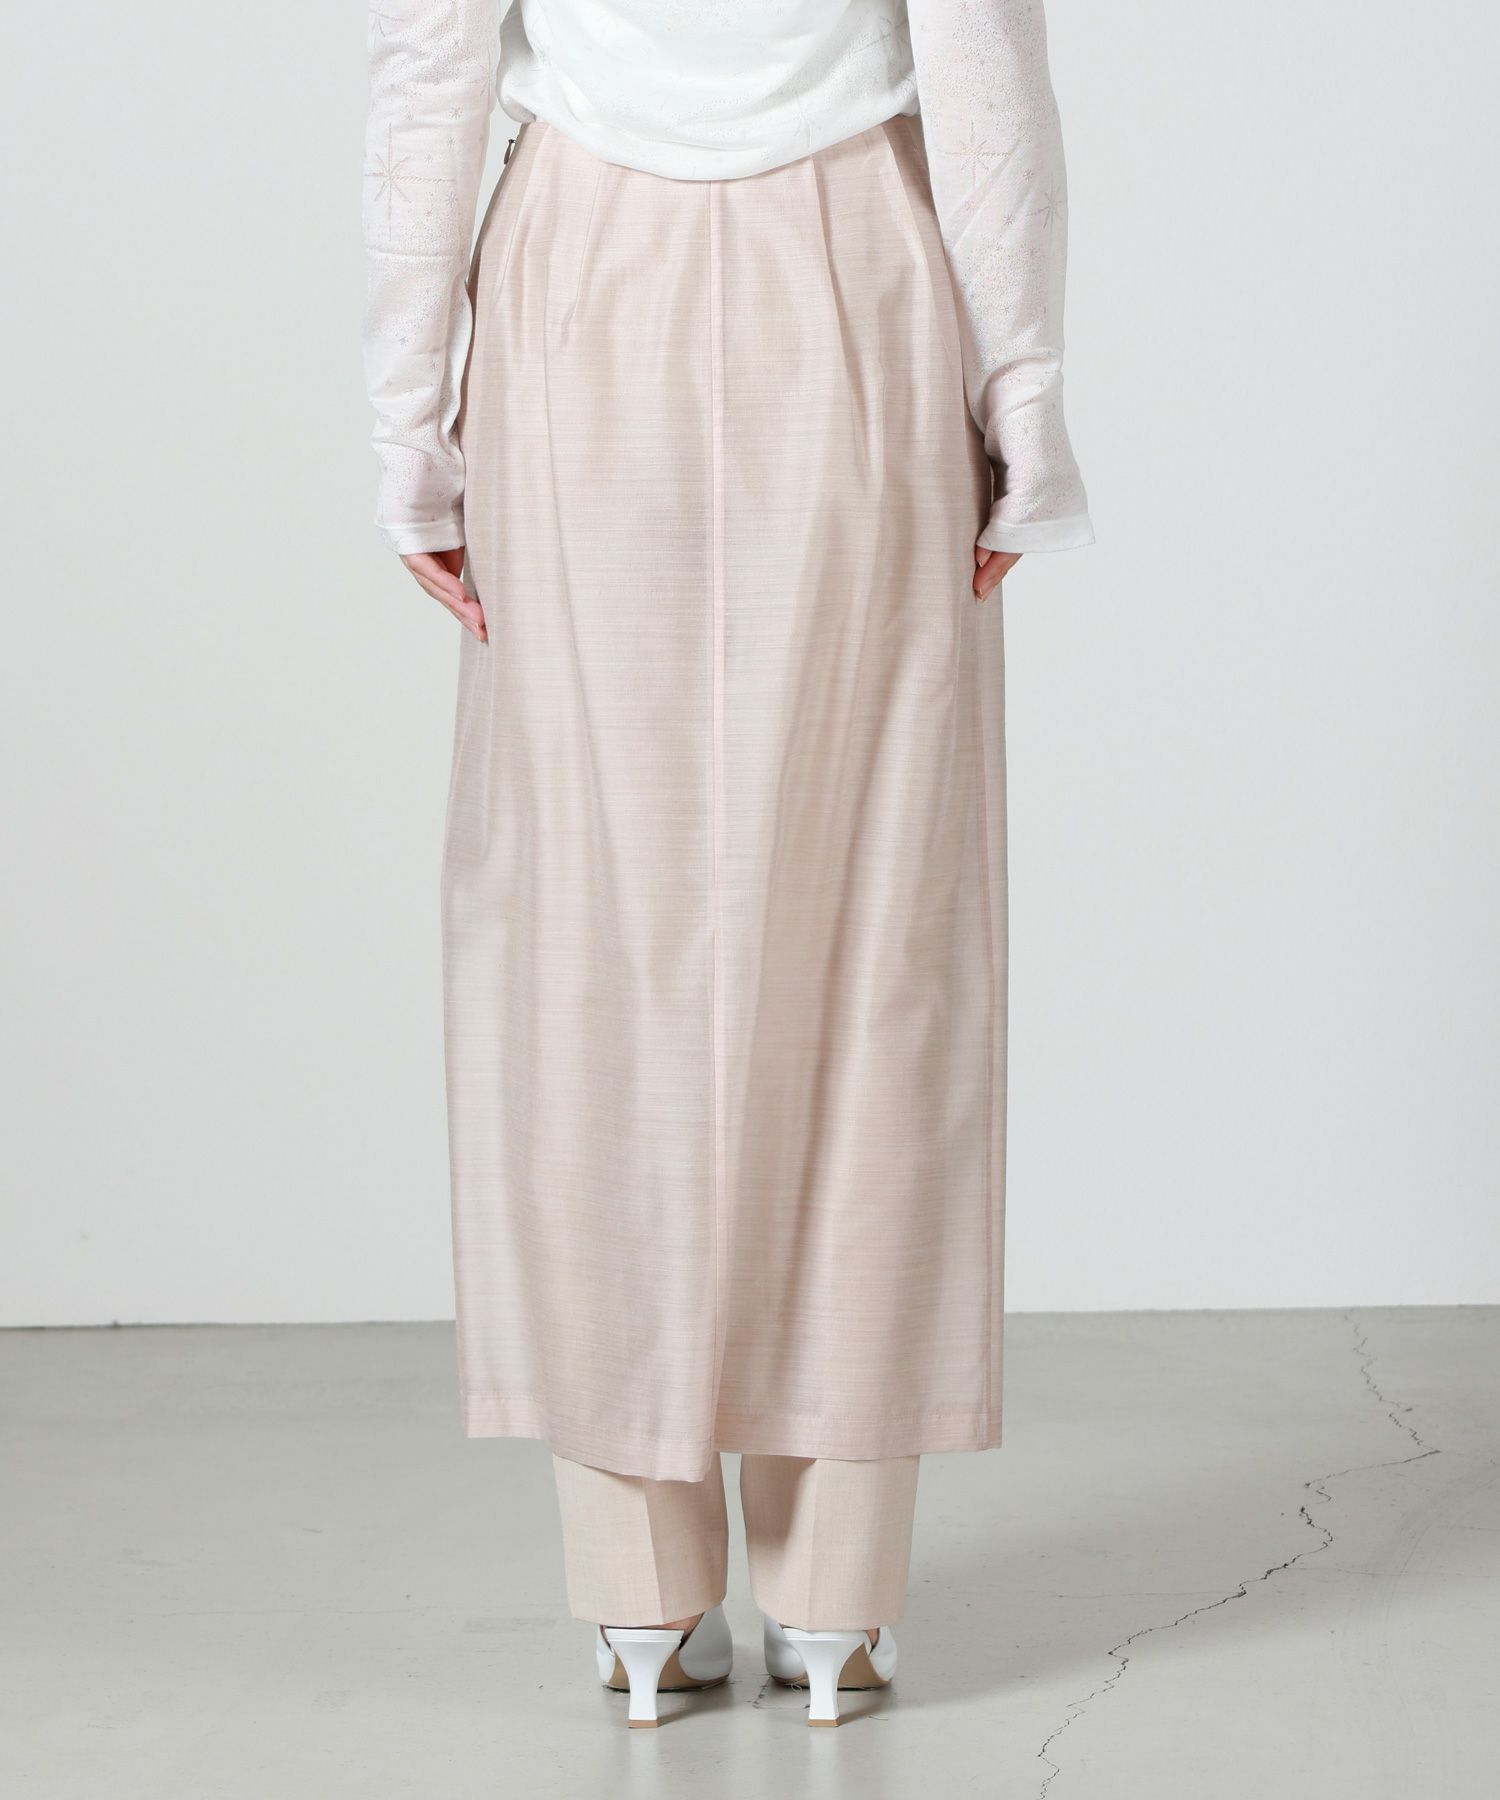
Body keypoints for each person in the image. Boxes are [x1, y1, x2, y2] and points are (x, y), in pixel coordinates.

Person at [362, 0, 1092, 1729]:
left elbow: (428, 68)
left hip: (579, 277)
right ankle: (835, 1598)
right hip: (855, 263)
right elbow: (981, 67)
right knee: (874, 924)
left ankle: (639, 1597)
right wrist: (1024, 389)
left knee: (590, 917)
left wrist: (408, 418)